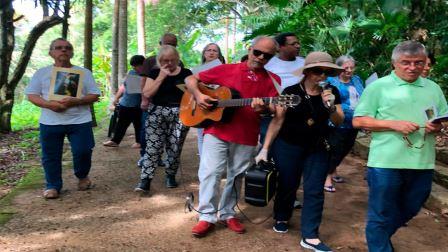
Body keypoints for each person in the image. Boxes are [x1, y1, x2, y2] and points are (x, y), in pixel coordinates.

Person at [352, 41, 448, 252]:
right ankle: (380, 246)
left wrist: (436, 128)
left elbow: (440, 120)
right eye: (406, 63)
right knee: (381, 212)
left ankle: (379, 238)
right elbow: (358, 121)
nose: (412, 67)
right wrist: (393, 124)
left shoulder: (433, 88)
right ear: (395, 63)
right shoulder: (379, 87)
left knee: (412, 206)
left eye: (418, 63)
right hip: (386, 162)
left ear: (425, 63)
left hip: (422, 161)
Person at [186, 36, 280, 237]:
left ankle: (227, 213)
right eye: (258, 52)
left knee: (236, 176)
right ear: (250, 49)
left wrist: (264, 107)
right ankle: (206, 216)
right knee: (210, 172)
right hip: (216, 131)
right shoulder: (225, 69)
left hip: (246, 134)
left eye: (267, 55)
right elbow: (190, 79)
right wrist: (199, 95)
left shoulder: (273, 79)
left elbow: (274, 107)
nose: (261, 57)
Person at [256, 51, 344, 252]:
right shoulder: (291, 91)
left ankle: (310, 236)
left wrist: (330, 106)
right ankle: (281, 216)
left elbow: (338, 121)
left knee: (314, 190)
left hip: (318, 147)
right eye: (317, 72)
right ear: (307, 72)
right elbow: (278, 121)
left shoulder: (331, 92)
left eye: (326, 72)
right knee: (288, 184)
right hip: (289, 146)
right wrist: (265, 148)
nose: (322, 76)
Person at [25, 38, 100, 199]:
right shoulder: (42, 73)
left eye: (67, 48)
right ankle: (52, 186)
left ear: (72, 52)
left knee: (83, 151)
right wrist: (49, 104)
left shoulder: (84, 73)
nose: (63, 50)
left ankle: (82, 176)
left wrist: (77, 101)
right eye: (58, 48)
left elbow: (94, 95)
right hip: (50, 122)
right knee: (50, 155)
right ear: (51, 53)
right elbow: (31, 95)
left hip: (79, 120)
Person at [134, 45, 192, 192]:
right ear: (159, 61)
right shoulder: (154, 73)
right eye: (165, 60)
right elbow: (147, 93)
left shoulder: (186, 73)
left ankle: (170, 176)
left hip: (180, 113)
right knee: (153, 147)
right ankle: (145, 180)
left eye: (172, 60)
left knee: (175, 147)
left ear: (178, 59)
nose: (169, 64)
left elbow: (194, 91)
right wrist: (161, 76)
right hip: (156, 112)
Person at [263, 32, 305, 209]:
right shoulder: (269, 64)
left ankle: (289, 194)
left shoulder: (304, 63)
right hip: (272, 114)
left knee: (294, 158)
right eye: (293, 44)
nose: (298, 46)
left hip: (298, 116)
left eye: (298, 43)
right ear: (280, 47)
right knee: (272, 154)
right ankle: (269, 190)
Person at [138, 33, 183, 167]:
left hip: (172, 105)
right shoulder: (151, 61)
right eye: (166, 43)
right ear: (160, 44)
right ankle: (144, 156)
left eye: (173, 44)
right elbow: (143, 81)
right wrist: (144, 100)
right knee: (147, 131)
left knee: (170, 134)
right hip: (152, 102)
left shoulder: (179, 62)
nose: (169, 46)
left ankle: (163, 158)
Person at [324, 55, 364, 192]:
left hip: (354, 122)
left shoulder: (357, 80)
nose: (349, 70)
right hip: (338, 121)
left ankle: (333, 170)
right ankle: (327, 176)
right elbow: (330, 102)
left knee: (346, 147)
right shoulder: (331, 82)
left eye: (351, 67)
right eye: (345, 67)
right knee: (335, 149)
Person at [103, 55, 145, 148]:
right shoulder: (132, 72)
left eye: (136, 66)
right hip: (125, 103)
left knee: (138, 124)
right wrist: (116, 98)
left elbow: (141, 92)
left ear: (143, 64)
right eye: (133, 66)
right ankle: (115, 141)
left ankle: (139, 142)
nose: (135, 68)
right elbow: (123, 86)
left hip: (138, 105)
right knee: (121, 124)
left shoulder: (147, 74)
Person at [196, 43, 225, 157]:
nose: (211, 52)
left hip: (219, 104)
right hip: (201, 105)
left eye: (215, 50)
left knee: (218, 134)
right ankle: (203, 162)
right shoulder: (196, 71)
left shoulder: (223, 69)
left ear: (219, 54)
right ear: (204, 53)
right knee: (201, 135)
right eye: (208, 50)